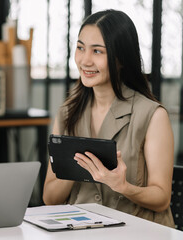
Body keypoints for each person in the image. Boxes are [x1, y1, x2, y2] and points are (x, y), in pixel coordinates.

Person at [43, 9, 175, 227]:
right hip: (82, 231)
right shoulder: (68, 114)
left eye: (97, 51)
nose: (85, 60)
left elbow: (161, 198)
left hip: (137, 231)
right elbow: (49, 198)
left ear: (121, 58)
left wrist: (123, 186)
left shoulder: (152, 115)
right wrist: (73, 168)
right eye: (80, 48)